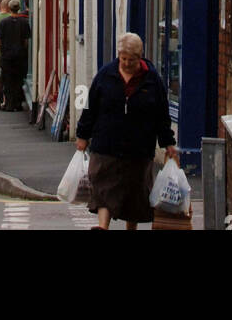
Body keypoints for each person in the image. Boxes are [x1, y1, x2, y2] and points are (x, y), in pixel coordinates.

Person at [75, 32, 179, 231]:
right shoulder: (106, 75)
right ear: (118, 55)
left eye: (131, 60)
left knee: (136, 194)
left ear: (140, 57)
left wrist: (168, 143)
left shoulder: (152, 80)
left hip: (138, 147)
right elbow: (90, 108)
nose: (126, 63)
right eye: (123, 59)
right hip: (106, 143)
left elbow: (161, 114)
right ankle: (103, 227)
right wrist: (82, 135)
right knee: (103, 187)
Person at [0, 1, 31, 111]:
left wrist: (2, 52)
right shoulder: (24, 22)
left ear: (9, 8)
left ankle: (9, 104)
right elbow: (26, 41)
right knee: (18, 79)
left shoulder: (3, 22)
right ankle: (18, 103)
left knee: (8, 80)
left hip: (7, 56)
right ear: (18, 8)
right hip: (20, 56)